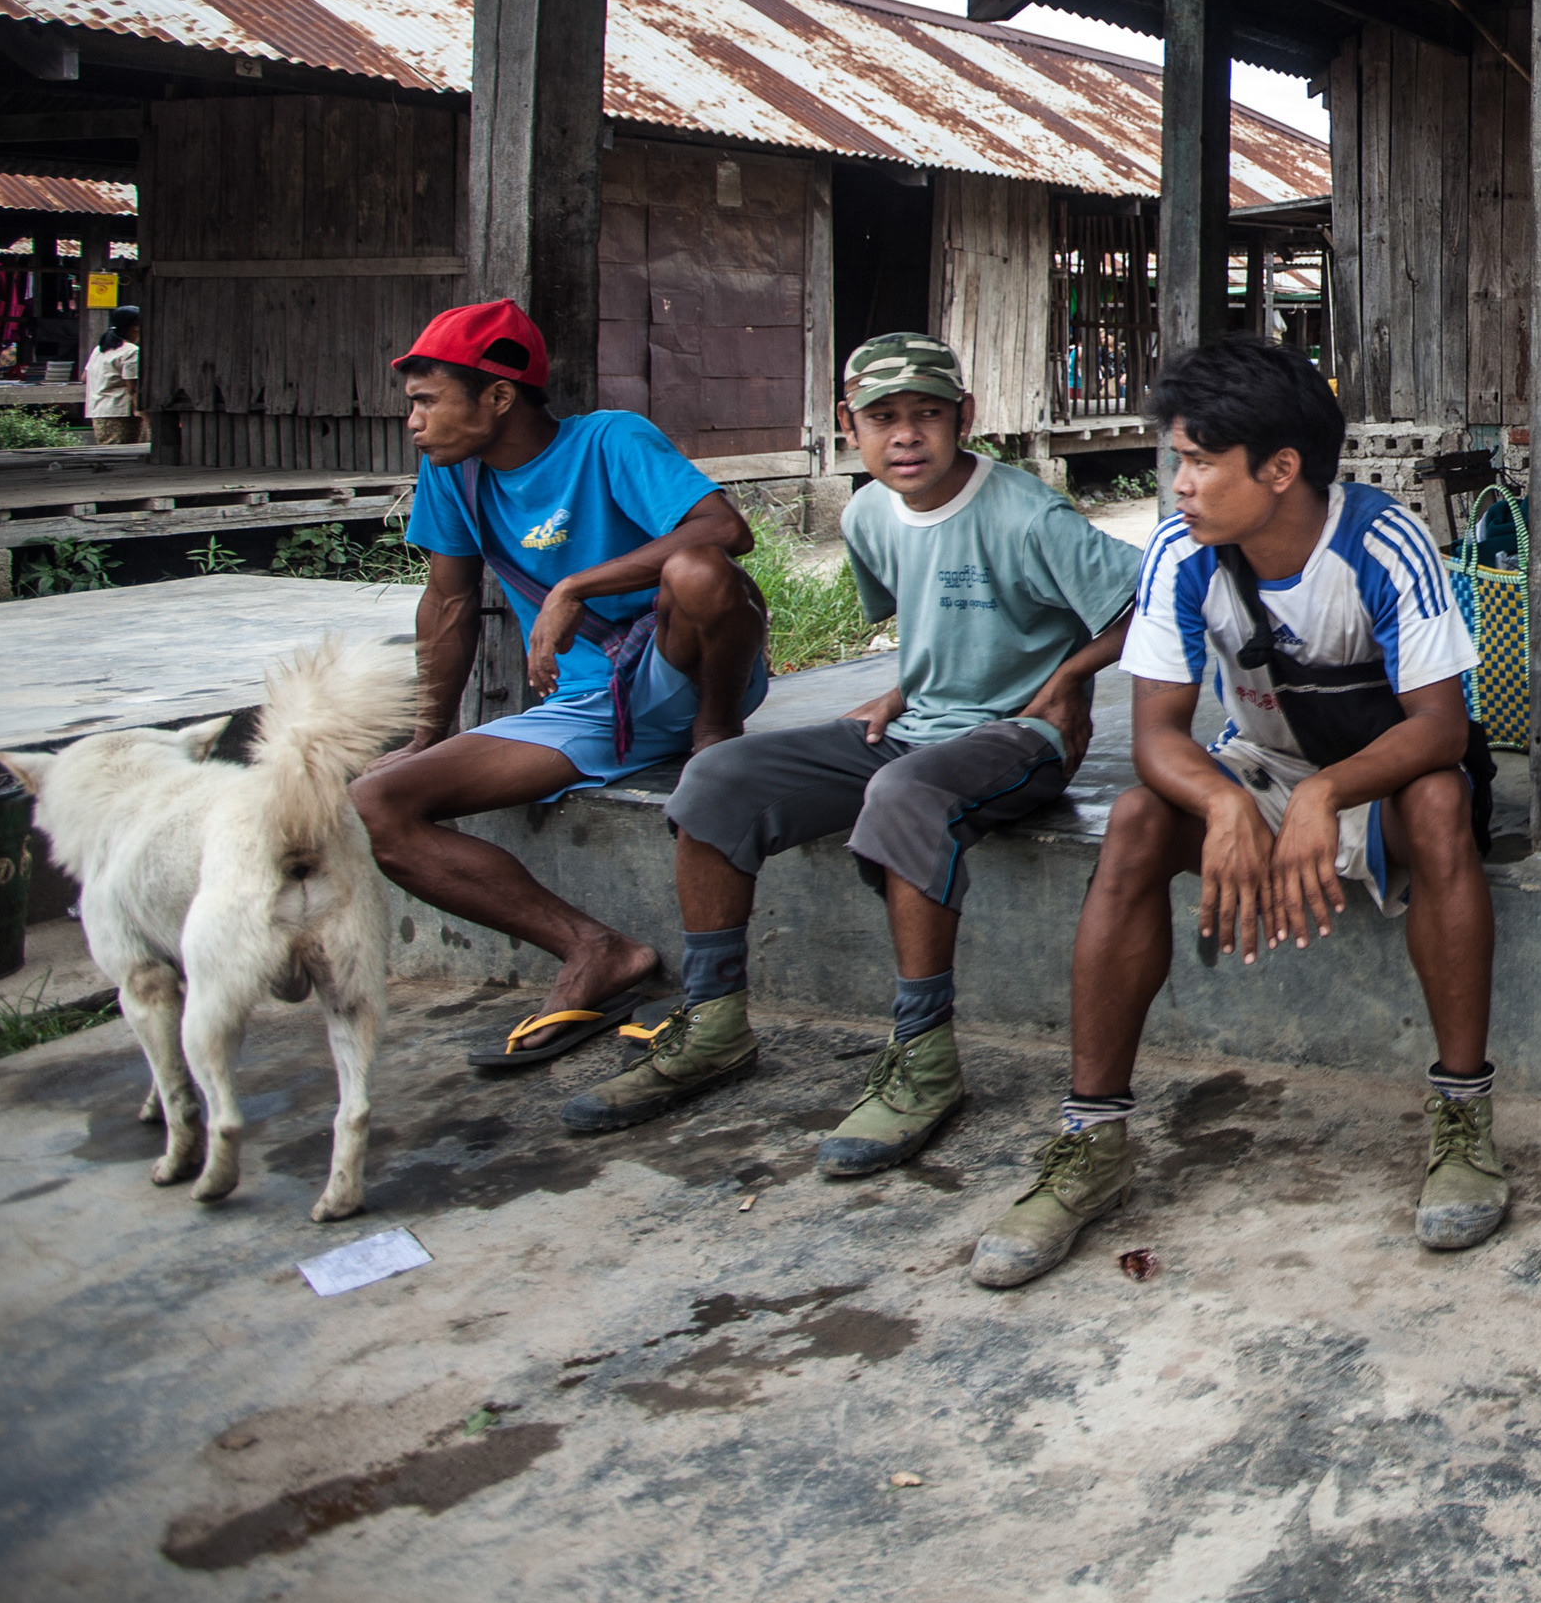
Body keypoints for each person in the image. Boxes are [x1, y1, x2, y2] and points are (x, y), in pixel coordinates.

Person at [969, 338, 1505, 1287]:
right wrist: (1223, 803)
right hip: (1261, 768)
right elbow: (1156, 734)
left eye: (1200, 461)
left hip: (1377, 782)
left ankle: (1462, 1114)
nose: (1179, 484)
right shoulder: (1180, 552)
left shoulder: (1382, 543)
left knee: (1438, 800)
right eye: (1178, 459)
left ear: (1281, 469)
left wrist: (1325, 793)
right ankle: (1092, 1137)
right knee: (1137, 819)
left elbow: (1441, 727)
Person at [568, 334, 1141, 1167]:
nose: (905, 435)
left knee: (906, 795)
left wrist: (1070, 679)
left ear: (965, 417)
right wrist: (904, 688)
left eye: (927, 414)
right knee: (717, 777)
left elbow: (1149, 595)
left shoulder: (1027, 512)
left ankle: (923, 1058)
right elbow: (939, 622)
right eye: (882, 418)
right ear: (850, 426)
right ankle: (715, 1022)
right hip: (915, 729)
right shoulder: (868, 514)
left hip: (1021, 737)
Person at [348, 300, 772, 1071]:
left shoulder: (609, 439)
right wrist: (425, 736)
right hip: (584, 708)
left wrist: (574, 587)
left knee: (697, 569)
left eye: (427, 401)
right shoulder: (453, 475)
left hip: (682, 667)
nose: (413, 422)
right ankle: (593, 949)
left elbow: (724, 530)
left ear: (497, 396)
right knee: (378, 802)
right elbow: (447, 605)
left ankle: (714, 739)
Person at [82, 308, 142, 445]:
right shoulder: (131, 351)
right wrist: (145, 416)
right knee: (124, 452)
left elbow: (84, 377)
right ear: (135, 327)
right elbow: (133, 388)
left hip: (99, 412)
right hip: (120, 413)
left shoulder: (100, 349)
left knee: (108, 451)